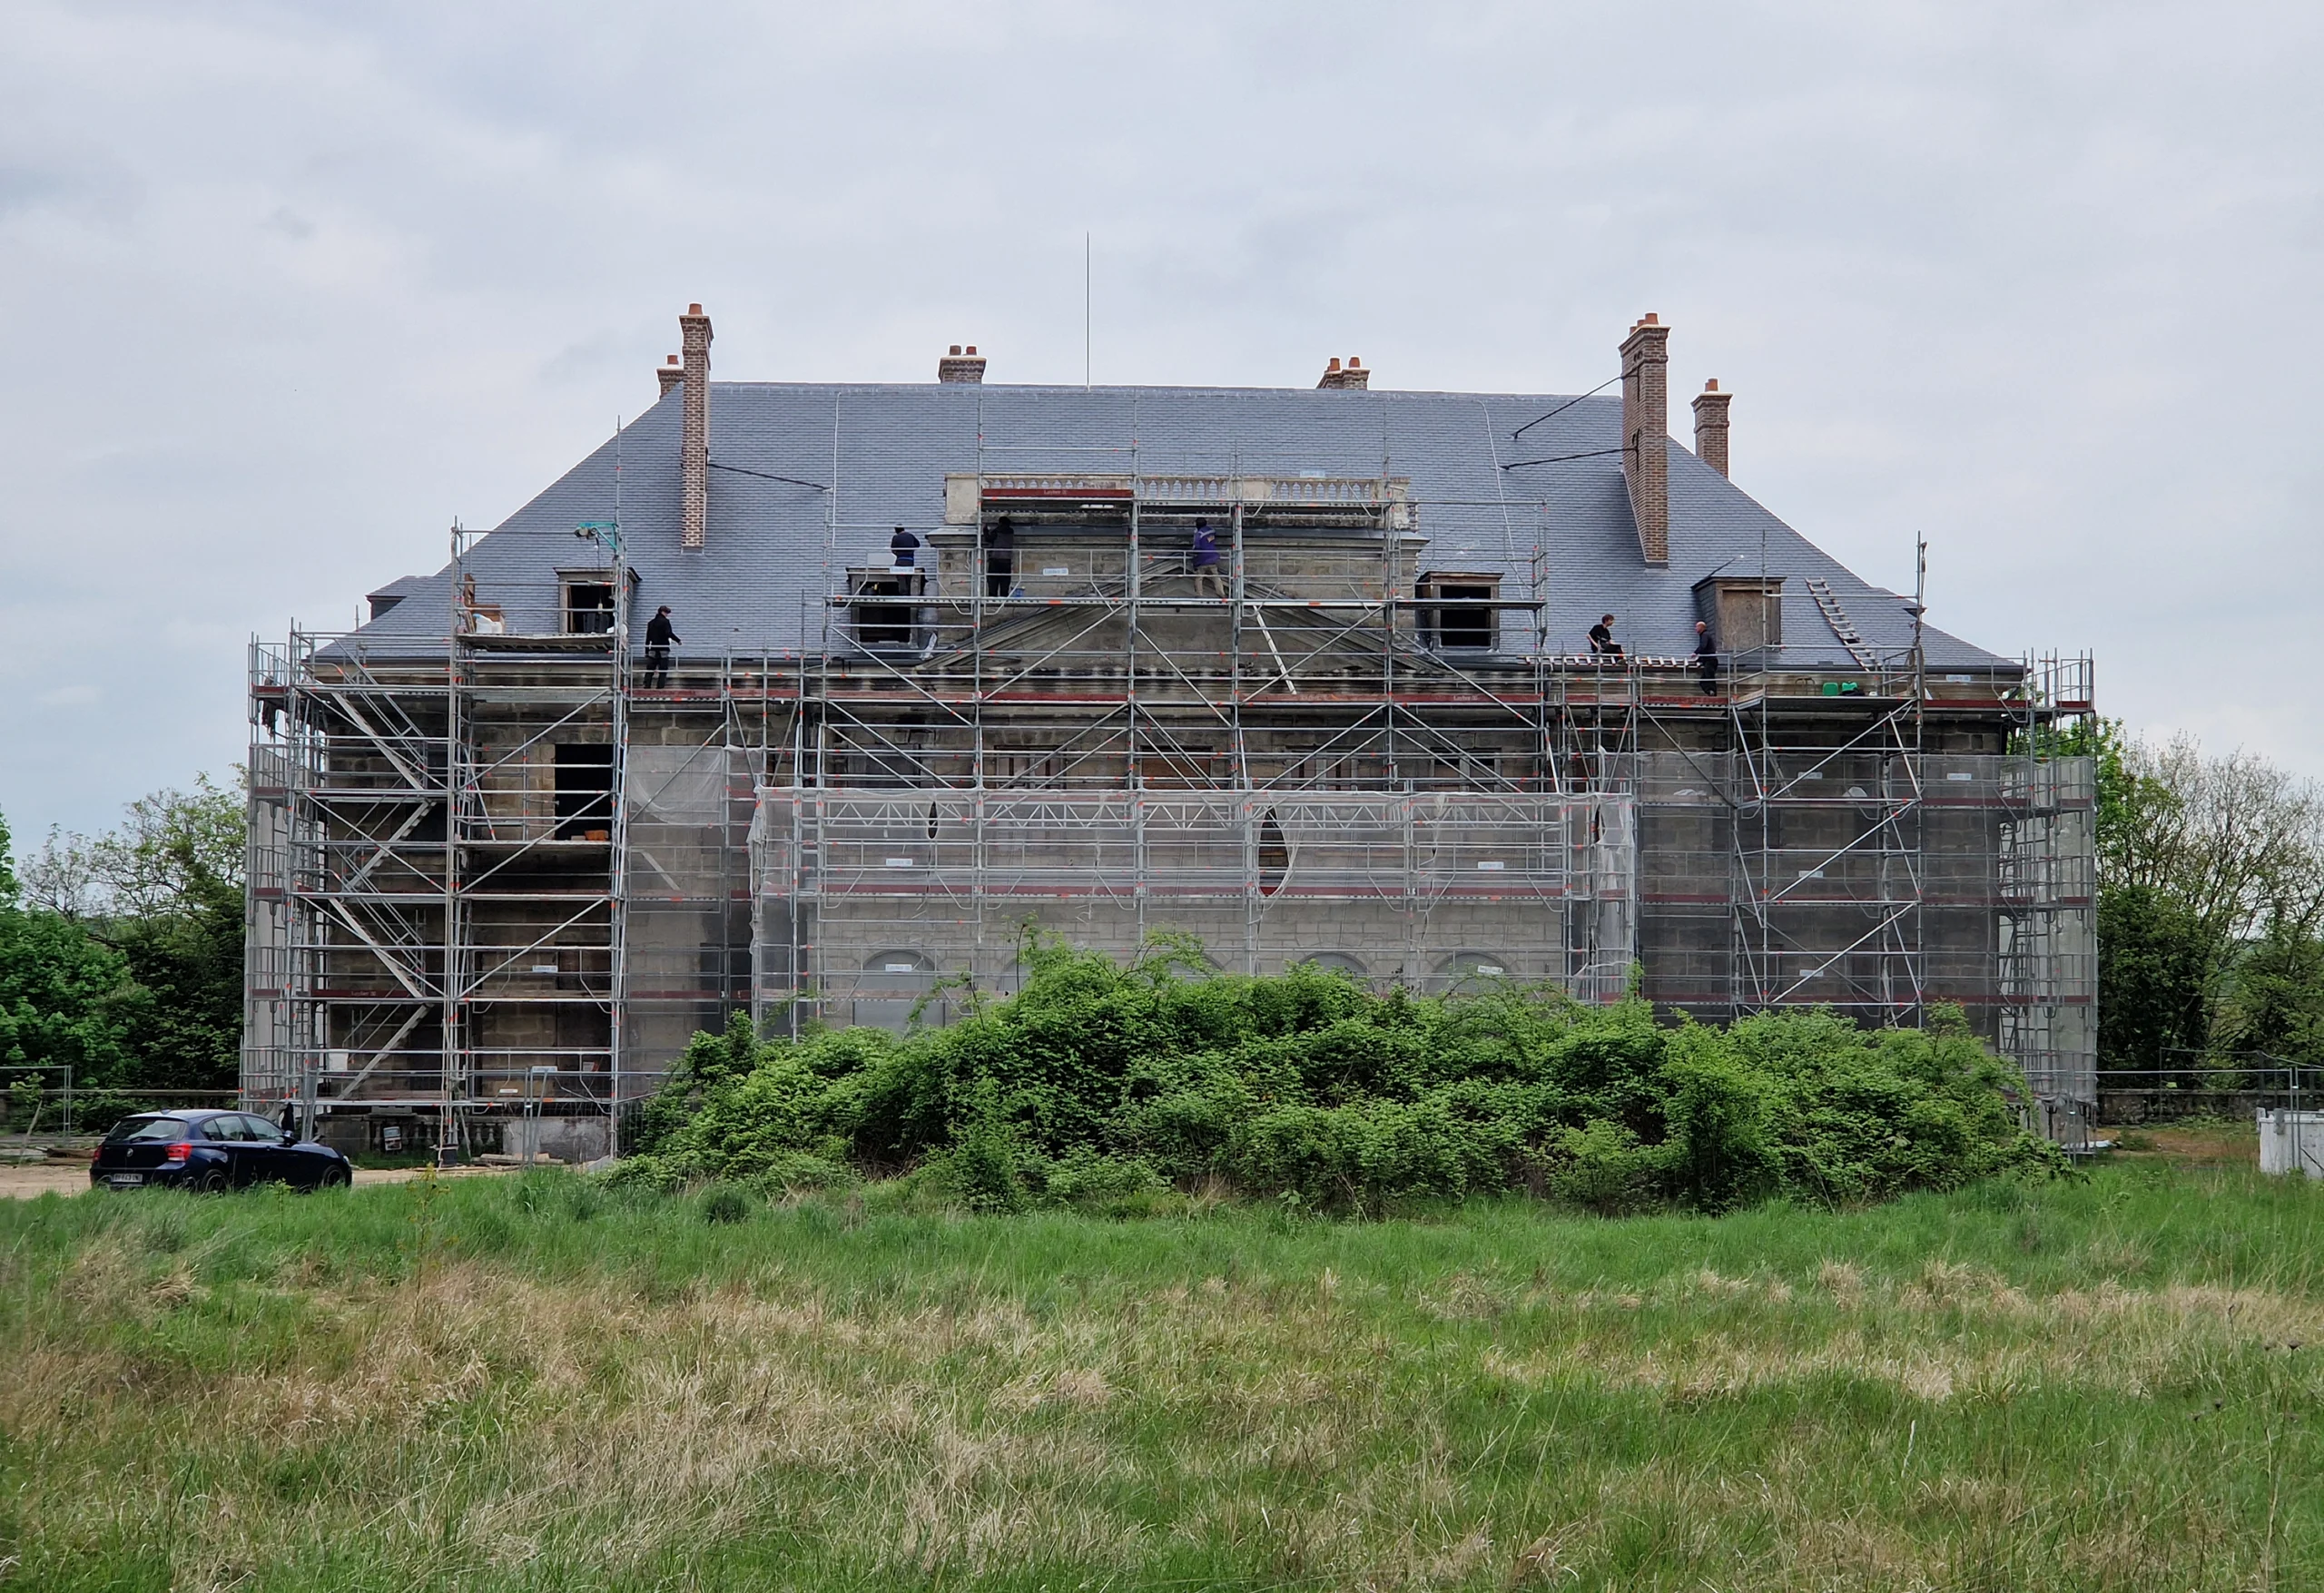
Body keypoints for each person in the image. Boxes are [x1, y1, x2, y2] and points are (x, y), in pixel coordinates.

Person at [642, 605, 678, 690]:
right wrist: (678, 640)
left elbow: (648, 638)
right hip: (663, 649)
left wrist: (646, 651)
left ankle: (647, 685)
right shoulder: (665, 622)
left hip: (653, 649)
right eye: (666, 613)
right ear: (663, 612)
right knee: (663, 670)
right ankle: (660, 687)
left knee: (650, 669)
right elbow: (669, 633)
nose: (667, 615)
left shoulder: (651, 623)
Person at [982, 516, 1015, 599]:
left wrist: (985, 529)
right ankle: (1004, 596)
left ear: (1000, 523)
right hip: (1007, 559)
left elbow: (988, 539)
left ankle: (993, 597)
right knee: (1005, 579)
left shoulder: (997, 531)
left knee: (993, 579)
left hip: (996, 558)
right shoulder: (1011, 531)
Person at [1190, 518, 1224, 598]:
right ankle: (1221, 593)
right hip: (1212, 556)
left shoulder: (1199, 533)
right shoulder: (1211, 531)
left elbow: (1197, 546)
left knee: (1199, 577)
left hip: (1203, 558)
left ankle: (1199, 594)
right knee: (1216, 576)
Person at [1693, 619, 1719, 694]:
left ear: (1701, 627)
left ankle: (1713, 692)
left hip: (1710, 661)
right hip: (1709, 660)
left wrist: (1695, 653)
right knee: (1703, 681)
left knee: (1709, 677)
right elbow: (1705, 650)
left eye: (1697, 627)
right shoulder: (1705, 635)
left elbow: (1703, 646)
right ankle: (1711, 692)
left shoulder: (1705, 635)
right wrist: (1698, 659)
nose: (1695, 629)